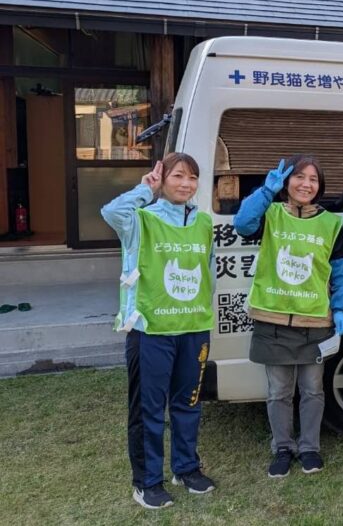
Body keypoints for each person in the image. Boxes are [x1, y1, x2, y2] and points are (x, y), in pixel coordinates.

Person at [101, 153, 216, 509]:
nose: (186, 184)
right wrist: (144, 189)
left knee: (188, 404)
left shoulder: (204, 223)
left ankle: (186, 468)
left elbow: (207, 272)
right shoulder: (140, 219)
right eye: (178, 176)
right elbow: (111, 213)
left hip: (194, 327)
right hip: (150, 330)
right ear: (162, 178)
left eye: (192, 177)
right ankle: (147, 481)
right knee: (148, 409)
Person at [234, 156, 343, 478]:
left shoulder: (330, 223)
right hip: (272, 319)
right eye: (299, 177)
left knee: (313, 390)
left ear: (320, 186)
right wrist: (264, 192)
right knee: (279, 391)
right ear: (286, 182)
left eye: (313, 179)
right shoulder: (270, 213)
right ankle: (282, 447)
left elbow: (339, 271)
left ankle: (310, 447)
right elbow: (242, 224)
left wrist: (340, 308)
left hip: (314, 321)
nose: (306, 184)